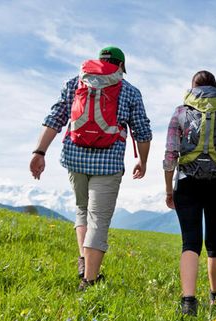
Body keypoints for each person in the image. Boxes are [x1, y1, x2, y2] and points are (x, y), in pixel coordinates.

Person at [29, 46, 152, 290]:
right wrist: (143, 160)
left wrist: (39, 151)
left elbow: (55, 117)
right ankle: (89, 281)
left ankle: (85, 263)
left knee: (82, 209)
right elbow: (143, 131)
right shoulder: (129, 91)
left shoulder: (76, 83)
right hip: (108, 163)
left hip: (74, 158)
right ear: (121, 66)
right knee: (99, 219)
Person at [163, 70, 216, 315]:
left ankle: (188, 302)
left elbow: (170, 155)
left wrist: (169, 189)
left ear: (193, 88)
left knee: (190, 241)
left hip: (187, 183)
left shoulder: (180, 111)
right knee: (215, 244)